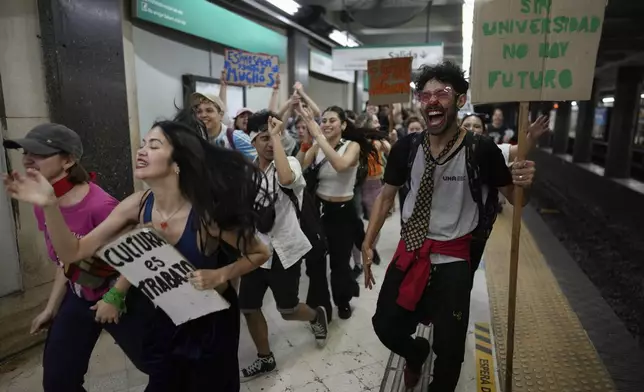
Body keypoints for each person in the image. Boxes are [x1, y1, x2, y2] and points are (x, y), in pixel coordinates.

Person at [4, 121, 272, 391]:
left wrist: (221, 274)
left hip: (212, 322)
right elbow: (72, 252)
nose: (141, 151)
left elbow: (261, 252)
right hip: (168, 314)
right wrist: (50, 205)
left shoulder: (207, 215)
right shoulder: (137, 204)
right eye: (142, 144)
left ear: (178, 161)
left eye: (154, 145)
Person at [361, 61, 536, 391]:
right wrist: (368, 242)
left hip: (454, 260)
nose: (432, 101)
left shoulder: (481, 150)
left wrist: (525, 183)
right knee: (385, 325)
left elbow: (516, 200)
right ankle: (416, 352)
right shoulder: (407, 148)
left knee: (451, 351)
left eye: (441, 93)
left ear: (459, 99)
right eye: (425, 96)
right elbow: (385, 199)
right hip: (411, 250)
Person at [3, 123, 151, 392]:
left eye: (39, 153)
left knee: (158, 364)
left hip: (120, 295)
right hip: (79, 294)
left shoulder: (101, 206)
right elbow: (66, 260)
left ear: (68, 160)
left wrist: (115, 298)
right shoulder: (44, 200)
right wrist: (52, 307)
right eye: (25, 152)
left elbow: (136, 257)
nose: (27, 159)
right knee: (59, 379)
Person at [238, 111, 329, 381]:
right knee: (249, 306)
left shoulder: (288, 162)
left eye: (273, 136)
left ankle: (315, 316)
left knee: (287, 310)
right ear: (253, 141)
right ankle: (265, 359)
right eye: (264, 138)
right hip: (256, 251)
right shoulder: (246, 172)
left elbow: (287, 179)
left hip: (285, 251)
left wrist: (277, 137)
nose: (269, 142)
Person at [296, 105, 374, 320]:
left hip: (343, 212)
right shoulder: (317, 145)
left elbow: (340, 165)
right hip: (320, 210)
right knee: (315, 263)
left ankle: (343, 300)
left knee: (340, 263)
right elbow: (299, 166)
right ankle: (321, 307)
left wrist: (319, 137)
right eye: (324, 120)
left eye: (332, 120)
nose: (327, 124)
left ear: (343, 125)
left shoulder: (352, 146)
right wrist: (307, 141)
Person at [191, 91, 257, 160]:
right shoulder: (194, 140)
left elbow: (260, 164)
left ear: (221, 115)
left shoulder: (236, 138)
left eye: (209, 110)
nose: (203, 115)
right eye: (199, 111)